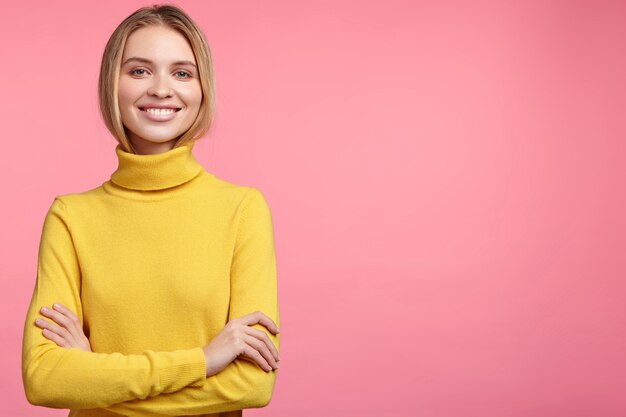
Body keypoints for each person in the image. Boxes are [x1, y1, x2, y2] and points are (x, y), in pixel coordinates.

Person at [21, 5, 281, 417]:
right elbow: (45, 379)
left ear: (202, 88)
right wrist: (203, 362)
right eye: (140, 71)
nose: (161, 89)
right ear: (113, 83)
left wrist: (95, 380)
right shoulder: (71, 217)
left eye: (182, 73)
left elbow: (252, 384)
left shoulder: (242, 210)